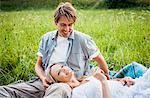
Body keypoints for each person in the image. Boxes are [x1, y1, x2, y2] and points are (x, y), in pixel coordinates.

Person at [0, 2, 109, 98]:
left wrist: (106, 80)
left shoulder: (83, 40)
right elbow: (38, 65)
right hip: (44, 82)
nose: (67, 29)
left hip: (66, 85)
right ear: (55, 22)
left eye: (70, 25)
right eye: (63, 25)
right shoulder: (46, 38)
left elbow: (100, 60)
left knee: (57, 91)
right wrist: (43, 78)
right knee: (4, 91)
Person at [45, 63, 150, 98]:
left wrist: (122, 80)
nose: (64, 69)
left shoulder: (86, 78)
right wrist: (103, 81)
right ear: (58, 82)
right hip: (132, 95)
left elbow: (111, 84)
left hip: (134, 85)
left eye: (63, 66)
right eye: (59, 72)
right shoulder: (76, 94)